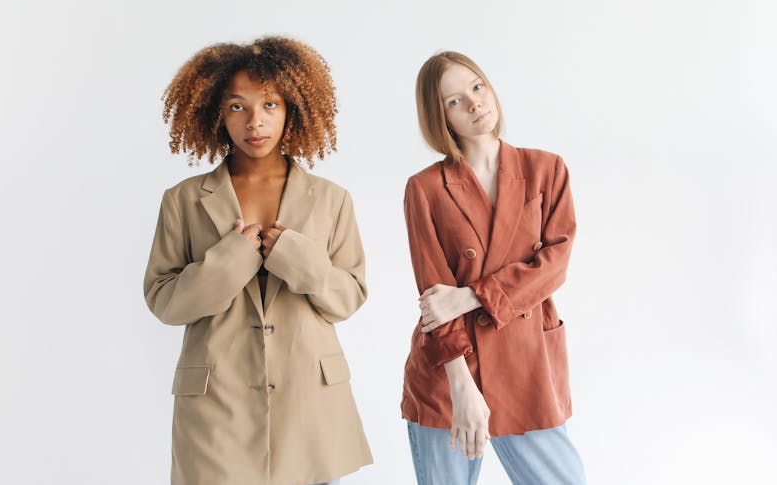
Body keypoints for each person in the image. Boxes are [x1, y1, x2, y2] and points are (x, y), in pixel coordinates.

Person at [143, 37, 372, 485]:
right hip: (217, 410)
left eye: (270, 104)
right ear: (216, 112)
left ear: (292, 110)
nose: (255, 121)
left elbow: (349, 297)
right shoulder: (182, 201)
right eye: (237, 106)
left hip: (309, 407)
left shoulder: (332, 199)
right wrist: (228, 261)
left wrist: (298, 260)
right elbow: (163, 301)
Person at [401, 51, 586, 484]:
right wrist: (462, 388)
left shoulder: (546, 169)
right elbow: (435, 299)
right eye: (454, 101)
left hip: (527, 362)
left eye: (477, 87)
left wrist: (471, 296)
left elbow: (554, 265)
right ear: (440, 117)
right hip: (449, 369)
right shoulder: (425, 188)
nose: (474, 103)